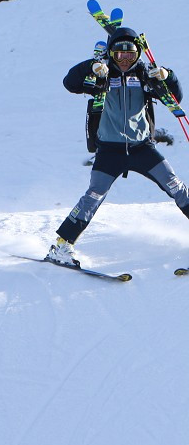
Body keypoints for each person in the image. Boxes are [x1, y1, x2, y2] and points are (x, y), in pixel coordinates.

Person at [48, 25, 188, 266]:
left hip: (142, 148)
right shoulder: (101, 75)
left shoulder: (145, 75)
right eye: (119, 54)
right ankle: (61, 246)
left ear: (138, 55)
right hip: (110, 150)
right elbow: (70, 83)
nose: (124, 59)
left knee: (176, 187)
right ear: (111, 53)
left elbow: (175, 98)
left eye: (130, 54)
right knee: (93, 196)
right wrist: (90, 66)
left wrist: (168, 76)